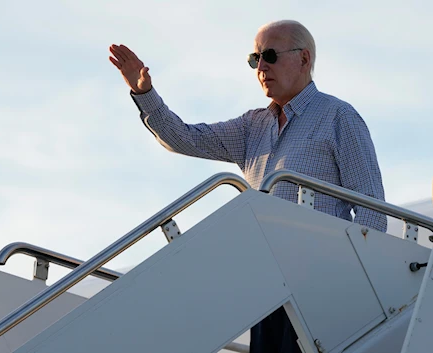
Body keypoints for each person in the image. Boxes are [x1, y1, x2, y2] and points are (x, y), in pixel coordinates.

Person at [109, 19, 387, 353]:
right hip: (267, 289)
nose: (262, 67)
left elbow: (372, 213)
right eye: (255, 59)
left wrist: (347, 284)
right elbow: (183, 137)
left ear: (304, 59)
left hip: (321, 286)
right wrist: (144, 93)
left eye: (269, 55)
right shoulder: (252, 126)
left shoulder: (339, 117)